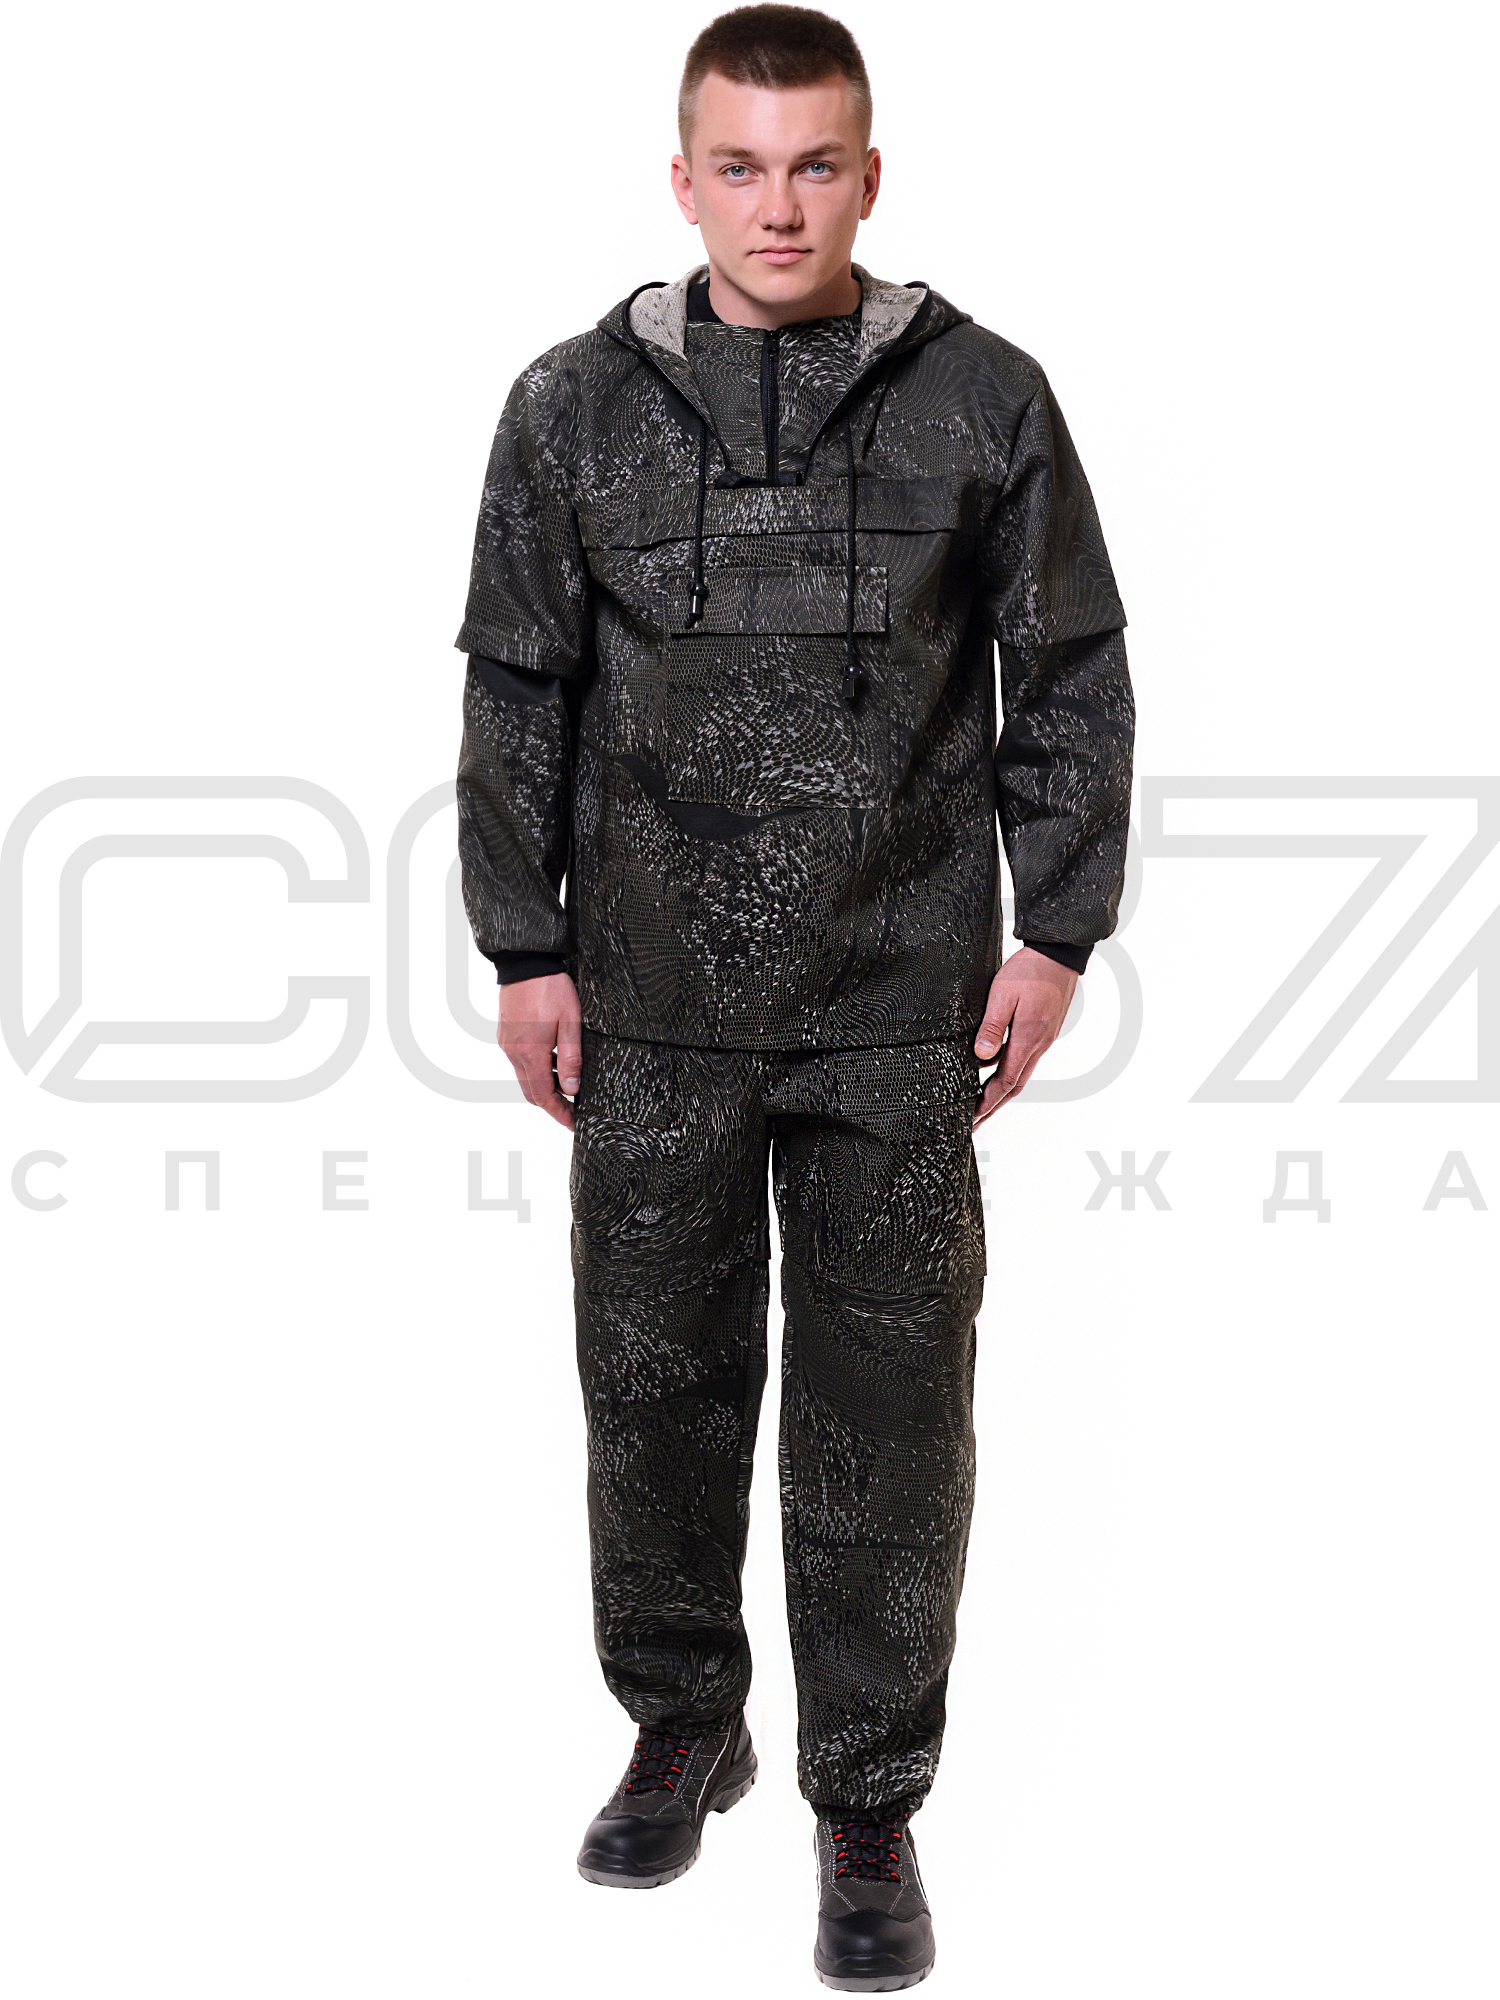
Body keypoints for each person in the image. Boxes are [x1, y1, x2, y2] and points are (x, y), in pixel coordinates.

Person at [453, 6, 1133, 1986]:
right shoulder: (570, 406)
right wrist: (524, 947)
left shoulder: (984, 399)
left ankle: (868, 1799)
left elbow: (1067, 670)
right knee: (654, 1388)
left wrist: (1056, 930)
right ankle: (684, 1721)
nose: (780, 204)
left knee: (889, 1418)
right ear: (682, 183)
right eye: (741, 167)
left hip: (899, 1003)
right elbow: (514, 686)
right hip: (647, 1002)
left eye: (816, 163)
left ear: (870, 175)